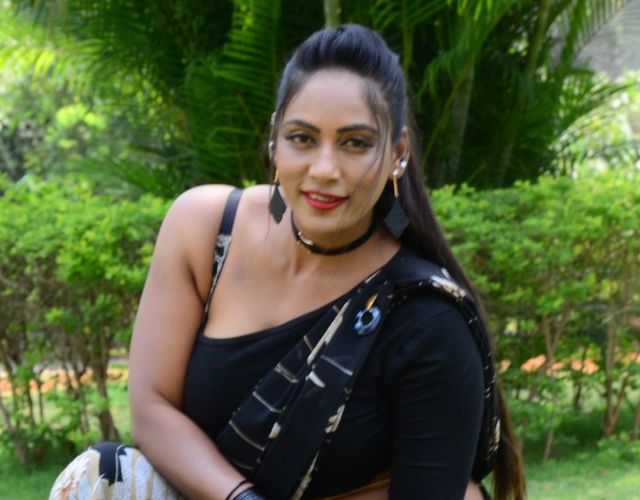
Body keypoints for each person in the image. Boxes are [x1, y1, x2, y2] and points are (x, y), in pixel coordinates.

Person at [50, 24, 525, 500]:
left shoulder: (426, 318)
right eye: (302, 138)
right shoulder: (208, 231)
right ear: (275, 139)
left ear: (397, 154)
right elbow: (152, 407)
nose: (324, 169)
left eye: (355, 143)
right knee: (99, 477)